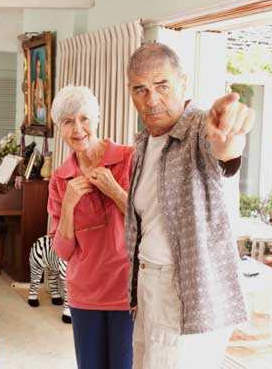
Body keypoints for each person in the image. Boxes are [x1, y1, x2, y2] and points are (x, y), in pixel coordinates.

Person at [125, 43, 255, 369]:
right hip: (149, 286)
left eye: (162, 86)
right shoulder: (144, 142)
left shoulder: (198, 127)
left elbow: (224, 148)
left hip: (183, 292)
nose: (151, 99)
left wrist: (230, 132)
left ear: (184, 82)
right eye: (140, 89)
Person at [48, 85, 134, 369]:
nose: (78, 128)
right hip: (85, 295)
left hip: (128, 293)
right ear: (60, 128)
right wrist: (70, 204)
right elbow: (62, 250)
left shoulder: (129, 159)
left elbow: (151, 225)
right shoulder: (60, 179)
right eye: (68, 121)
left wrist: (116, 192)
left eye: (84, 118)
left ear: (97, 119)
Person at [32, 52, 47, 124]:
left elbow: (43, 100)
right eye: (37, 67)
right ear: (35, 68)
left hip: (42, 110)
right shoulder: (33, 83)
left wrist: (41, 103)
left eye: (40, 67)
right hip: (37, 112)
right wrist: (37, 102)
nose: (39, 69)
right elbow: (33, 102)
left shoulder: (41, 82)